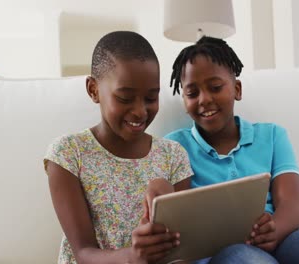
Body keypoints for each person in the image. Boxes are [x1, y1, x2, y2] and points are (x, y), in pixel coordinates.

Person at [165, 36, 299, 264]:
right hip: (220, 253)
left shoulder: (271, 136)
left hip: (282, 240)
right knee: (246, 259)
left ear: (237, 89)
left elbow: (291, 203)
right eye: (192, 93)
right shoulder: (173, 148)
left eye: (215, 87)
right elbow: (173, 222)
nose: (204, 99)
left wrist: (276, 228)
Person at [44, 31, 193, 264]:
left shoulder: (173, 156)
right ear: (93, 90)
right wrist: (133, 257)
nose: (140, 111)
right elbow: (83, 253)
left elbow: (180, 251)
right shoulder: (69, 154)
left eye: (151, 98)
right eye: (125, 98)